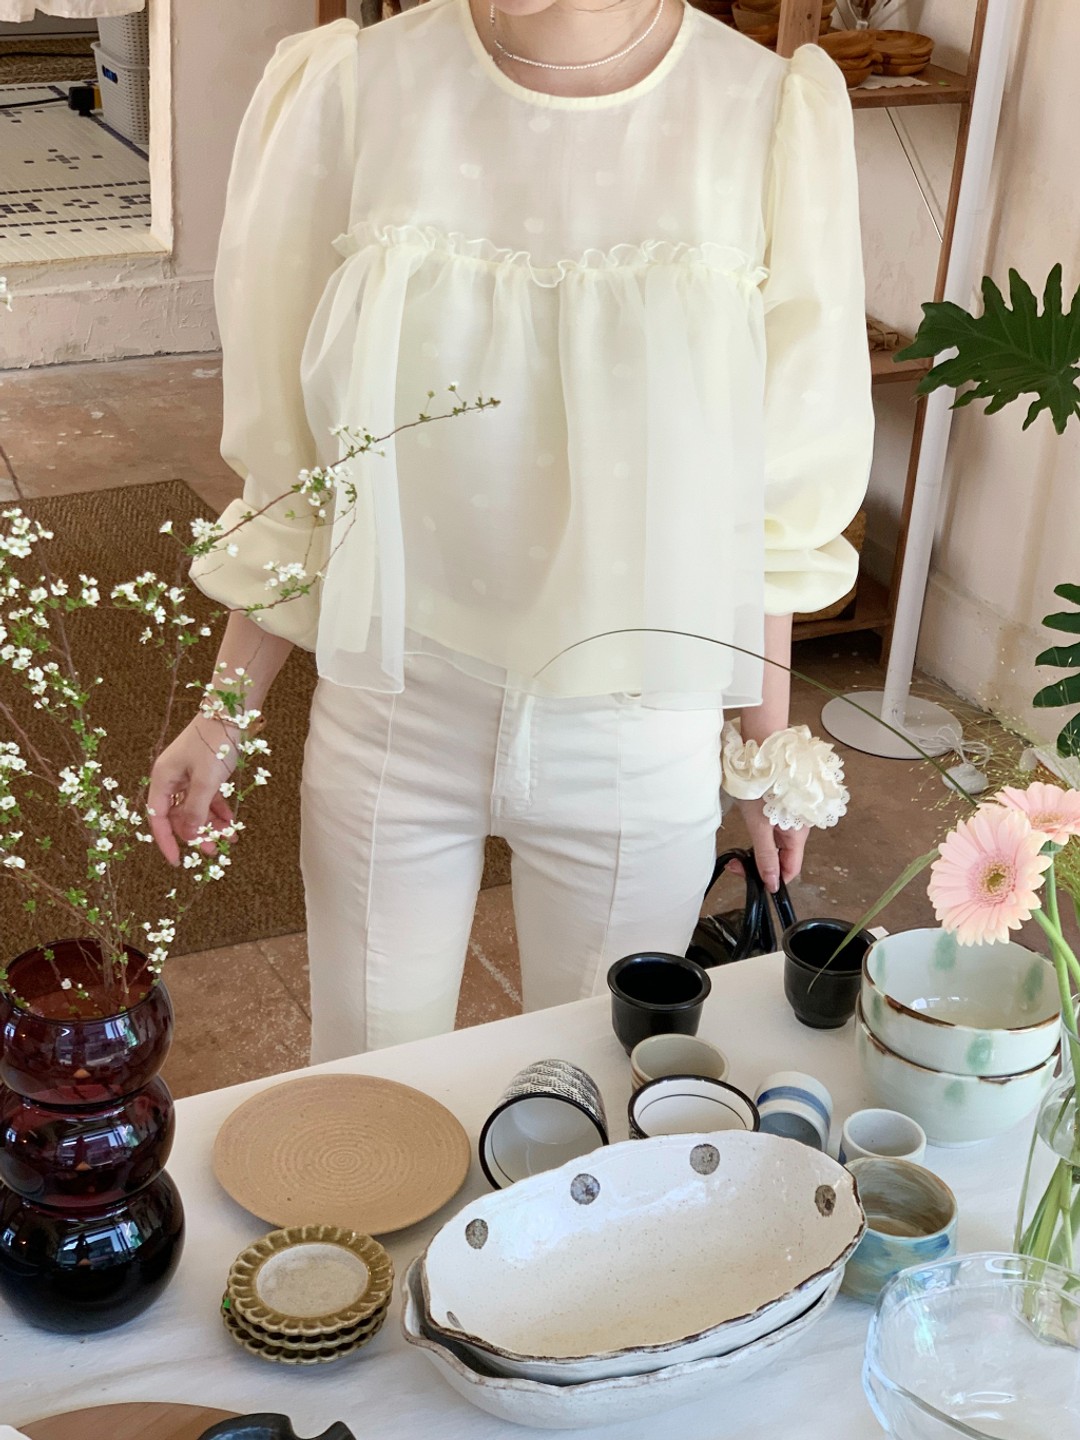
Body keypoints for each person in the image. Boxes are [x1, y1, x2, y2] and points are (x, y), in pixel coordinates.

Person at [149, 0, 873, 1061]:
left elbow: (769, 499)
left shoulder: (765, 119)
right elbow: (303, 472)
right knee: (366, 1098)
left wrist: (765, 751)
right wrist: (223, 716)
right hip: (394, 708)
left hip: (637, 732)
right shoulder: (352, 89)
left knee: (595, 1104)